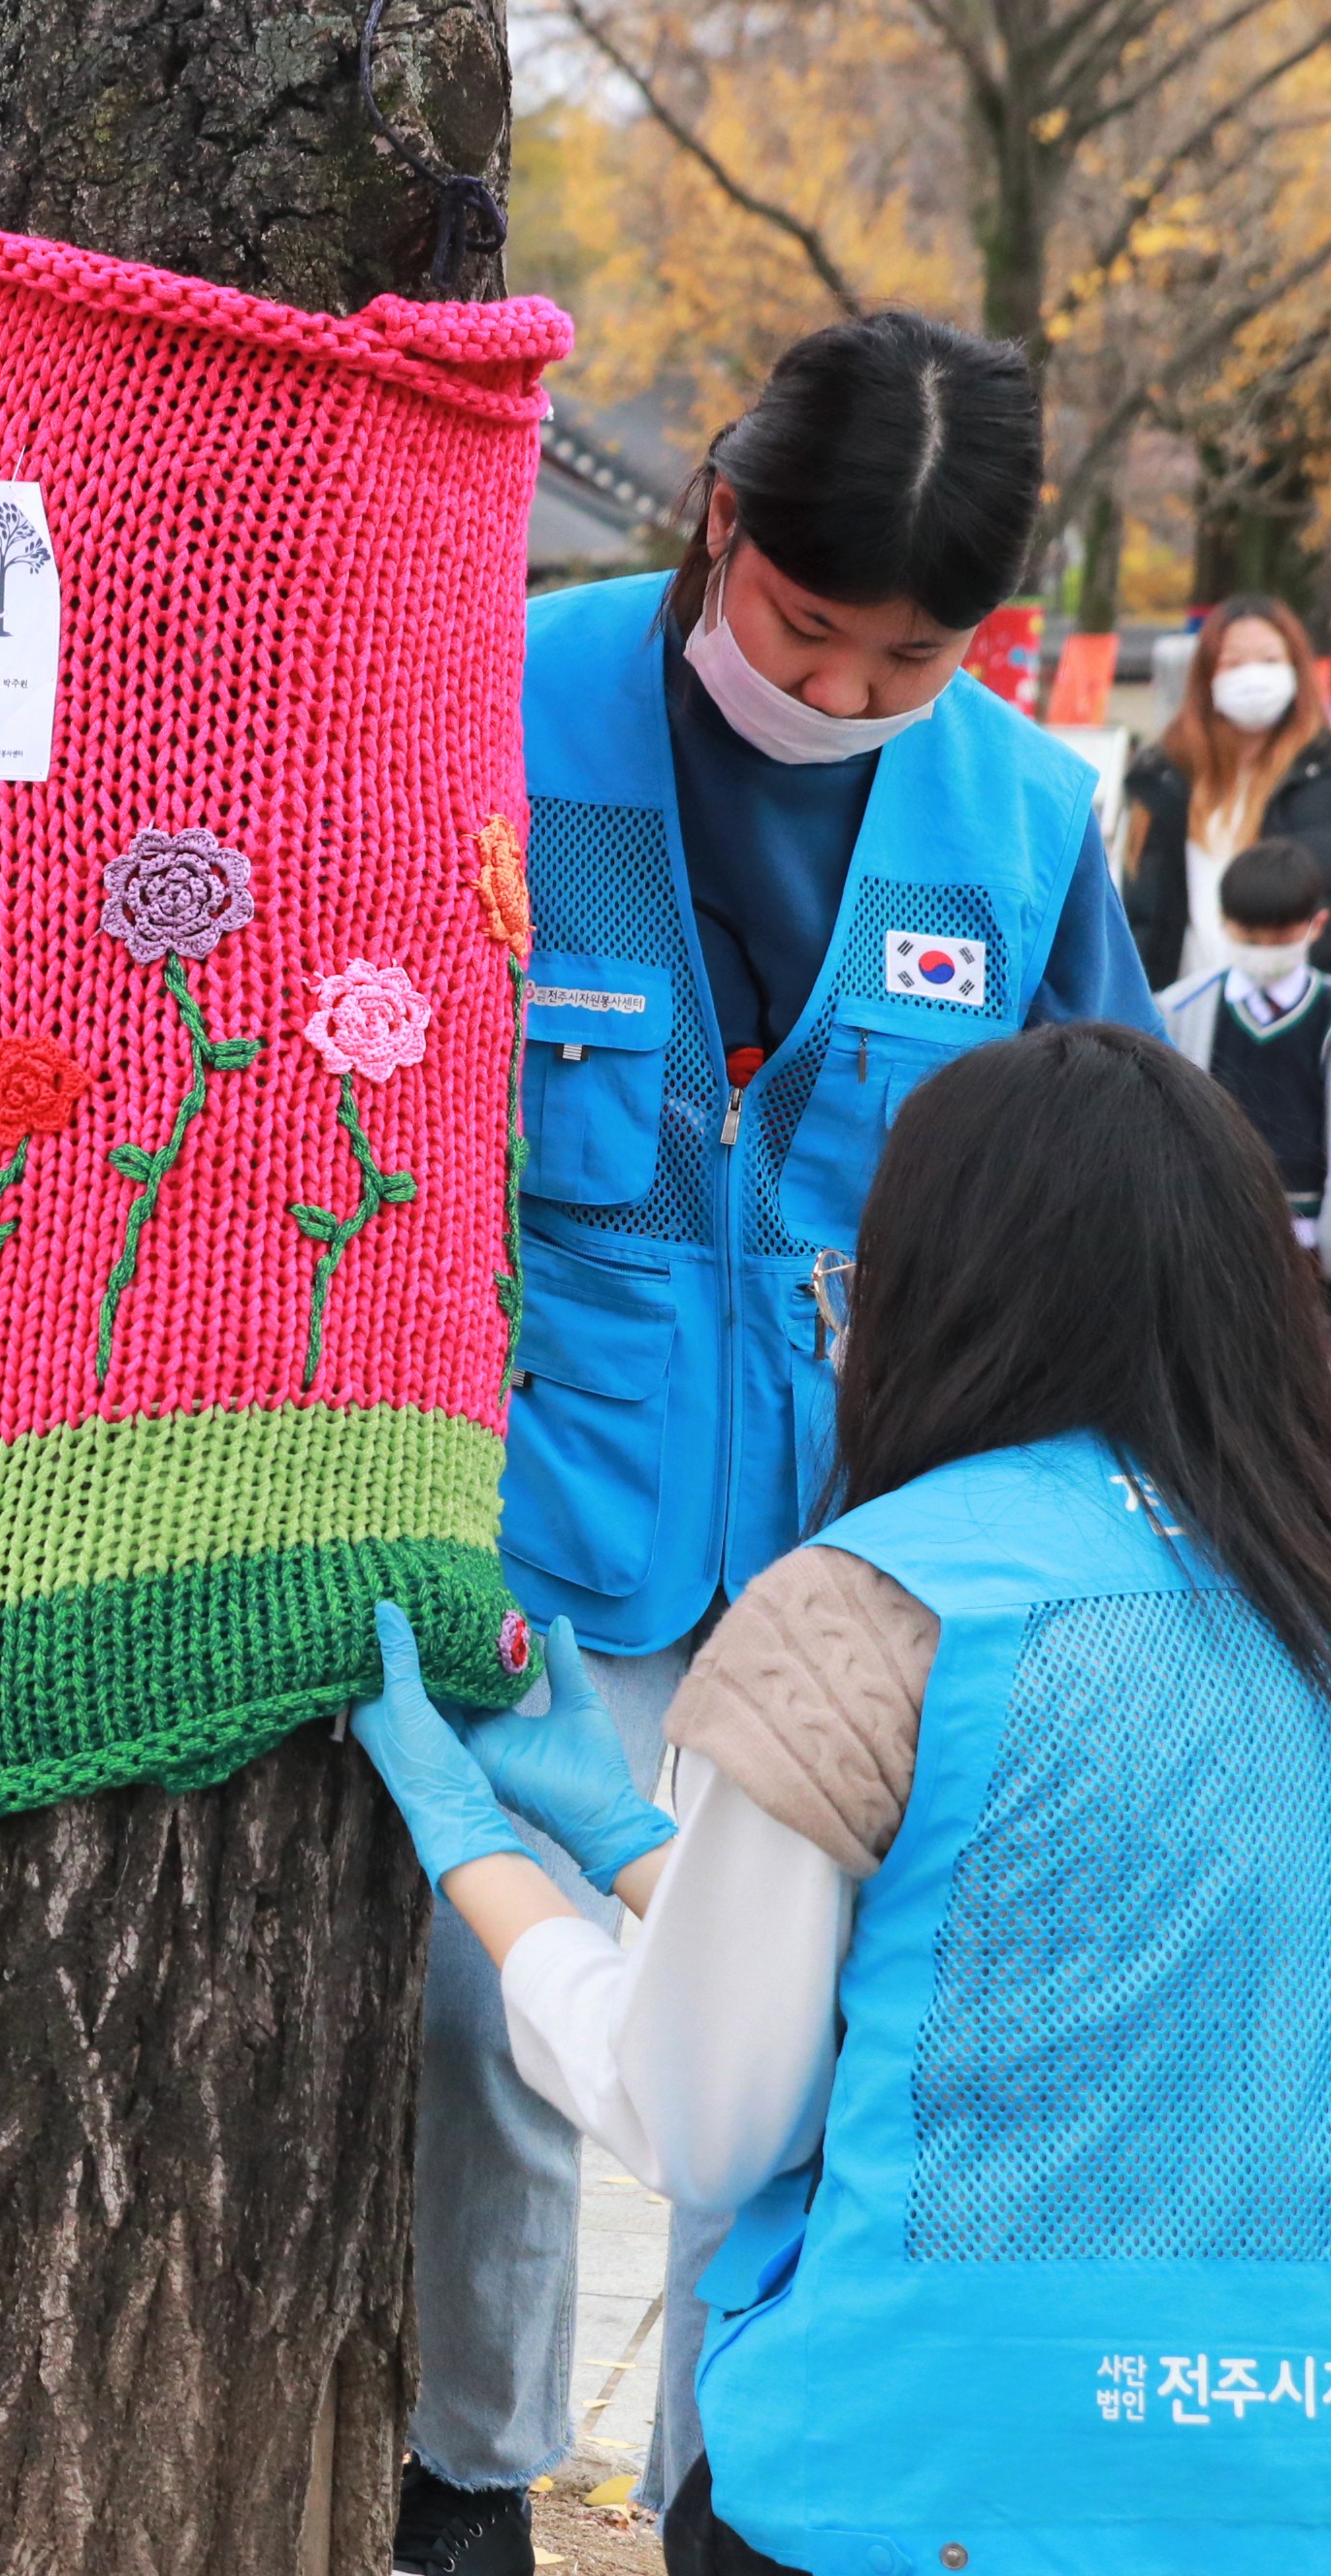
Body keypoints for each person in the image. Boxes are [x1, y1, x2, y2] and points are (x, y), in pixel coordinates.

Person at [410, 309, 1169, 2576]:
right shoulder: (495, 701)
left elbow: (1116, 1175)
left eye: (908, 657)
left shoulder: (1020, 816)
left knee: (797, 2049)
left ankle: (718, 2487)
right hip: (547, 1507)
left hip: (868, 1551)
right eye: (805, 624)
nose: (841, 689)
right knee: (495, 2004)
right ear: (720, 515)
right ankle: (468, 2472)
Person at [357, 1020, 1331, 2574]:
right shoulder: (1295, 1596)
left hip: (916, 2484)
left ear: (934, 1281)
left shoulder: (877, 1602)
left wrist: (484, 1855)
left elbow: (704, 2117)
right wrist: (630, 1843)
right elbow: (983, 1982)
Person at [1122, 595, 1331, 988]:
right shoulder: (1165, 777)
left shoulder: (1322, 775)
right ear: (1206, 676)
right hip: (1184, 1005)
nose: (1253, 676)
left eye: (1270, 660)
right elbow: (1142, 914)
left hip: (1302, 1008)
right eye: (1234, 663)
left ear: (1296, 669)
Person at [1154, 835, 1331, 1265]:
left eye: (1281, 938)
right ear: (1224, 923)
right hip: (1210, 1226)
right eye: (1251, 938)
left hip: (1307, 1236)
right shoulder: (1179, 1008)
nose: (1265, 952)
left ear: (1317, 925)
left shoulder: (1323, 1012)